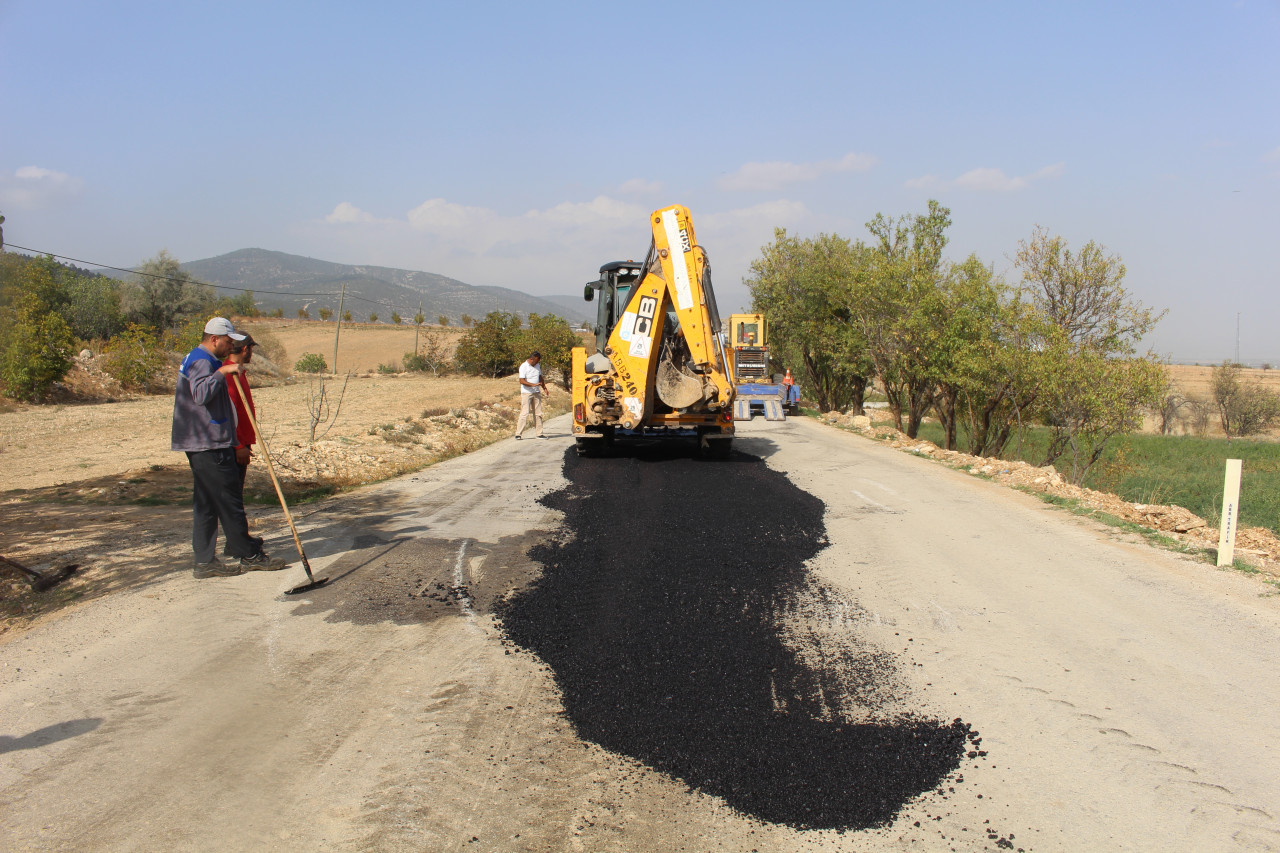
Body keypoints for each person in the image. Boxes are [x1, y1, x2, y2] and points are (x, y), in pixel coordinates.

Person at [172, 318, 285, 578]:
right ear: (214, 339)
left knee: (207, 503)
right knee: (229, 501)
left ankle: (204, 562)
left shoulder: (200, 359)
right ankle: (250, 555)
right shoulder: (203, 361)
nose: (230, 346)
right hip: (208, 443)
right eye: (227, 341)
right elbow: (200, 395)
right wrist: (222, 373)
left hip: (204, 442)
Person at [514, 351, 547, 439]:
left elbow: (540, 377)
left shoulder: (537, 366)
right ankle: (518, 434)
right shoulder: (524, 366)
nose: (537, 363)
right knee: (525, 413)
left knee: (538, 413)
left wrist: (544, 388)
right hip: (526, 393)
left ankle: (539, 433)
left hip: (536, 392)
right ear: (531, 359)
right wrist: (533, 385)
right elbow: (522, 381)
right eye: (536, 361)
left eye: (538, 361)